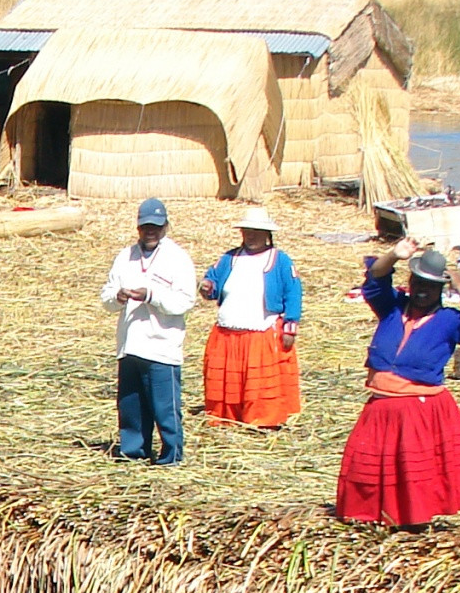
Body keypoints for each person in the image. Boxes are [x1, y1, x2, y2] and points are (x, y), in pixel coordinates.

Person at [335, 245, 460, 530]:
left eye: (431, 286)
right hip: (381, 406)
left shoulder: (450, 321)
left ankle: (411, 522)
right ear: (409, 284)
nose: (422, 291)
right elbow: (375, 278)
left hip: (418, 409)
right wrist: (396, 254)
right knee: (368, 466)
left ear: (440, 290)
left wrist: (459, 285)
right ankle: (372, 517)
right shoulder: (392, 308)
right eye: (418, 283)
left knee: (412, 472)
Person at [96, 196, 197, 464]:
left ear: (165, 226)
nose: (150, 231)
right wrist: (117, 297)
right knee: (131, 407)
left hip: (161, 345)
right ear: (138, 227)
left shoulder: (177, 259)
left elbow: (185, 300)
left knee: (165, 407)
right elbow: (106, 297)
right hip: (130, 344)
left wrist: (151, 295)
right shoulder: (125, 257)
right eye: (145, 226)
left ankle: (170, 456)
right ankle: (133, 453)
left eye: (156, 226)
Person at [196, 205, 304, 429]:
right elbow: (213, 281)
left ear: (267, 234)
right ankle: (227, 416)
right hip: (228, 331)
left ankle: (260, 420)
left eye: (256, 231)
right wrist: (207, 287)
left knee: (260, 382)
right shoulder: (229, 258)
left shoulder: (280, 260)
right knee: (229, 379)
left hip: (260, 331)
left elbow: (293, 292)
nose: (251, 235)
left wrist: (290, 325)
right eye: (247, 231)